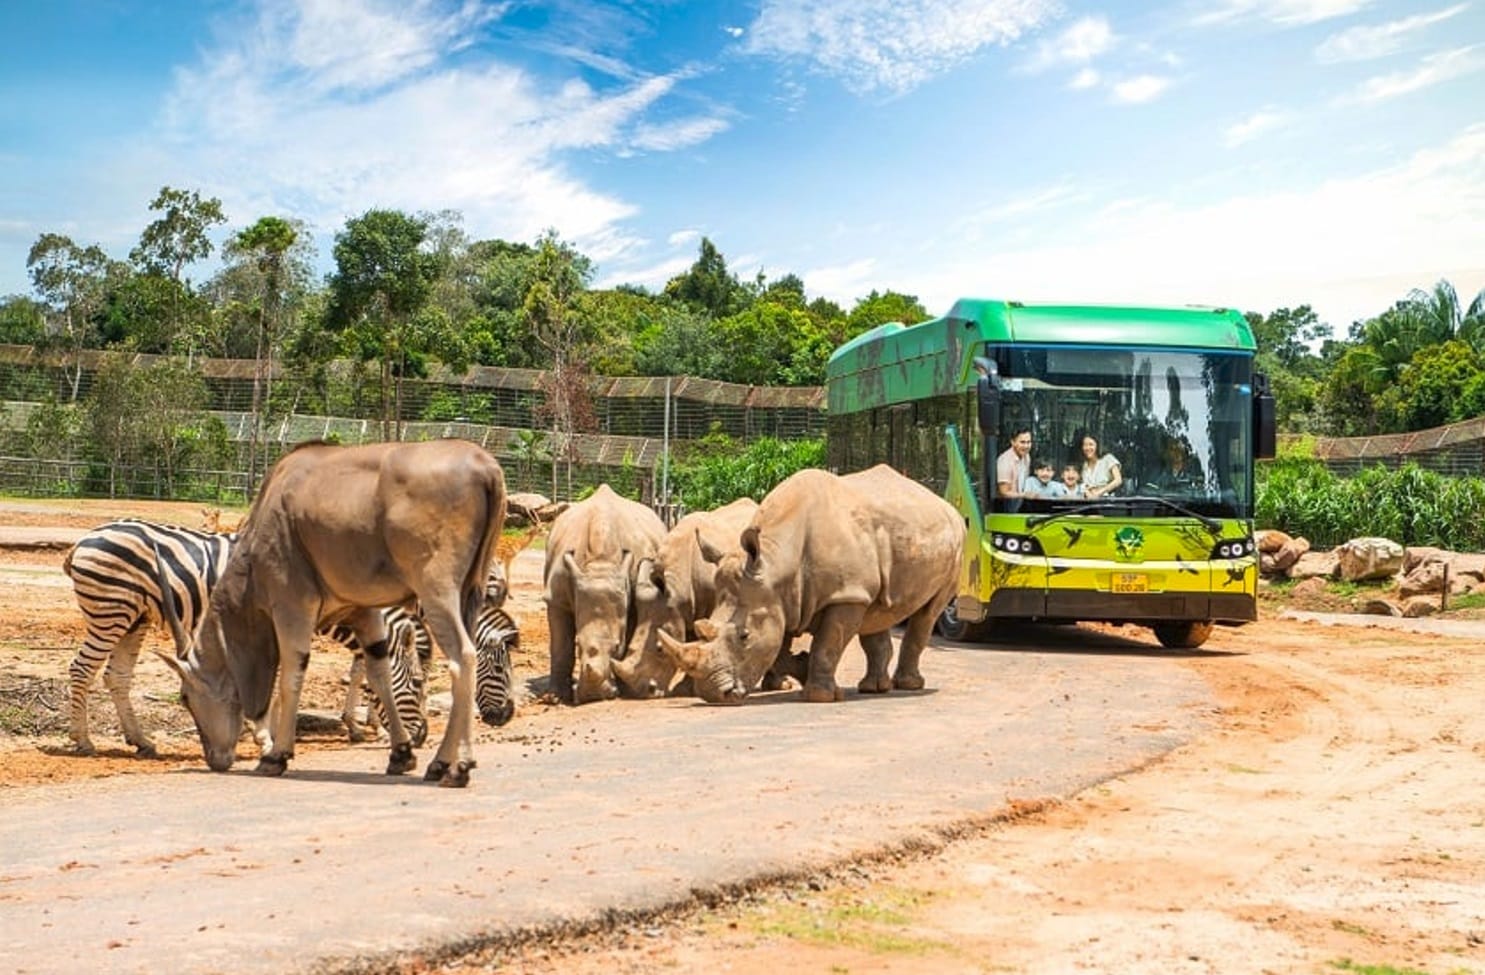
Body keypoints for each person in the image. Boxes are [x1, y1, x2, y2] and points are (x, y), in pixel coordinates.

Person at [996, 428, 1033, 503]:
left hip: (1021, 503)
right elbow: (1004, 493)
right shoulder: (1005, 461)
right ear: (1013, 442)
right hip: (1007, 506)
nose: (1026, 446)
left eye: (1028, 442)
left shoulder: (1026, 456)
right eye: (1022, 442)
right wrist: (1024, 495)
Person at [1079, 433, 1122, 498]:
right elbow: (1083, 485)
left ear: (1097, 446)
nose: (1087, 448)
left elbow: (1118, 480)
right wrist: (1087, 492)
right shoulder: (1084, 465)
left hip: (1106, 502)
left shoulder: (1108, 459)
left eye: (1091, 444)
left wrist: (1100, 492)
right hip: (1088, 503)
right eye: (1085, 445)